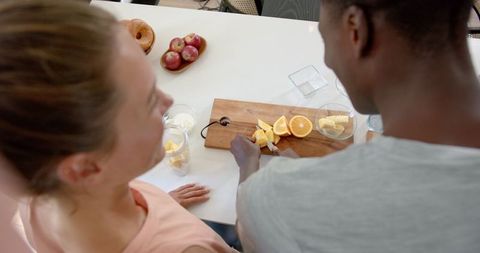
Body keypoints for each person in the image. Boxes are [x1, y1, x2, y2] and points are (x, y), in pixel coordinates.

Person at [230, 0, 480, 252]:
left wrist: (251, 169)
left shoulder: (279, 197)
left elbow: (247, 230)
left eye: (323, 34)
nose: (328, 60)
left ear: (356, 30)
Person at [0, 0, 234, 252]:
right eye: (148, 102)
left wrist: (160, 206)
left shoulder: (39, 192)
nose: (168, 102)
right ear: (84, 168)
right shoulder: (189, 249)